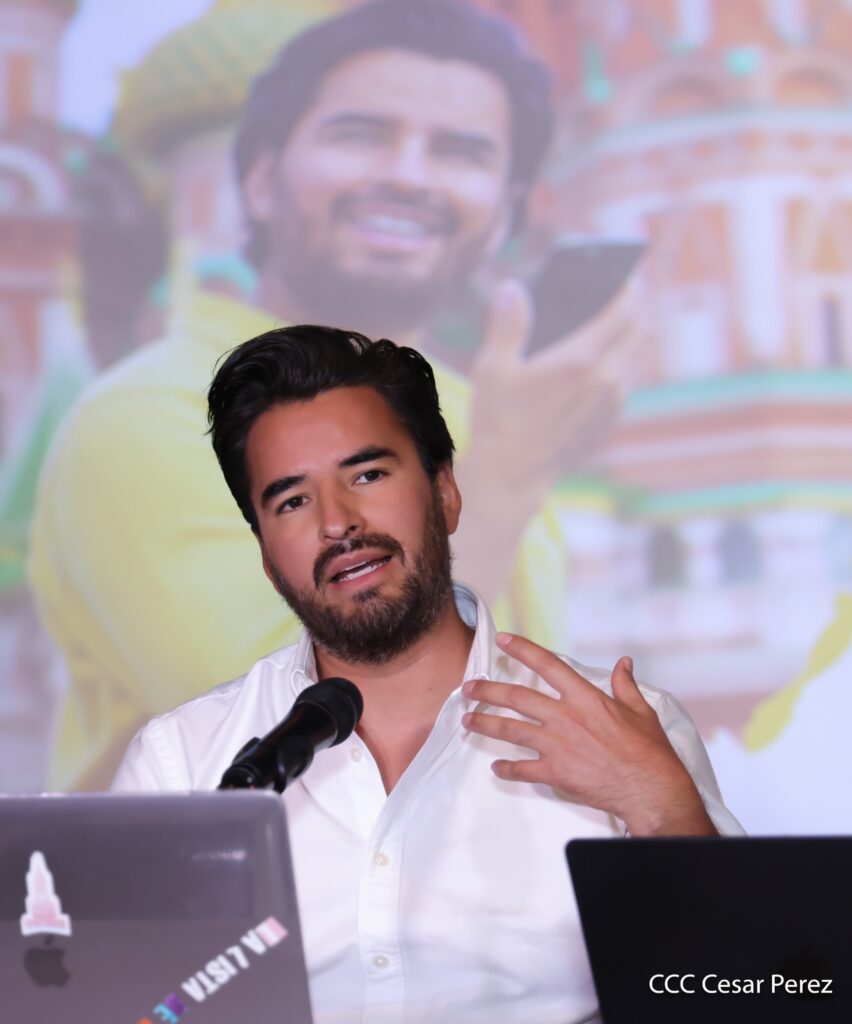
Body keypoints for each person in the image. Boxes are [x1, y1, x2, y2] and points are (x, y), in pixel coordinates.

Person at [30, 0, 643, 790]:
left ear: (504, 215)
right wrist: (507, 475)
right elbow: (295, 747)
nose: (408, 176)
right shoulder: (143, 421)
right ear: (259, 182)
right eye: (360, 134)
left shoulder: (483, 410)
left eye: (460, 151)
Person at [113, 325, 742, 1024]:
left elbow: (749, 992)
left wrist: (662, 809)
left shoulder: (623, 726)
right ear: (266, 557)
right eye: (292, 501)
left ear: (445, 494)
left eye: (367, 475)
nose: (337, 523)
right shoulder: (183, 763)